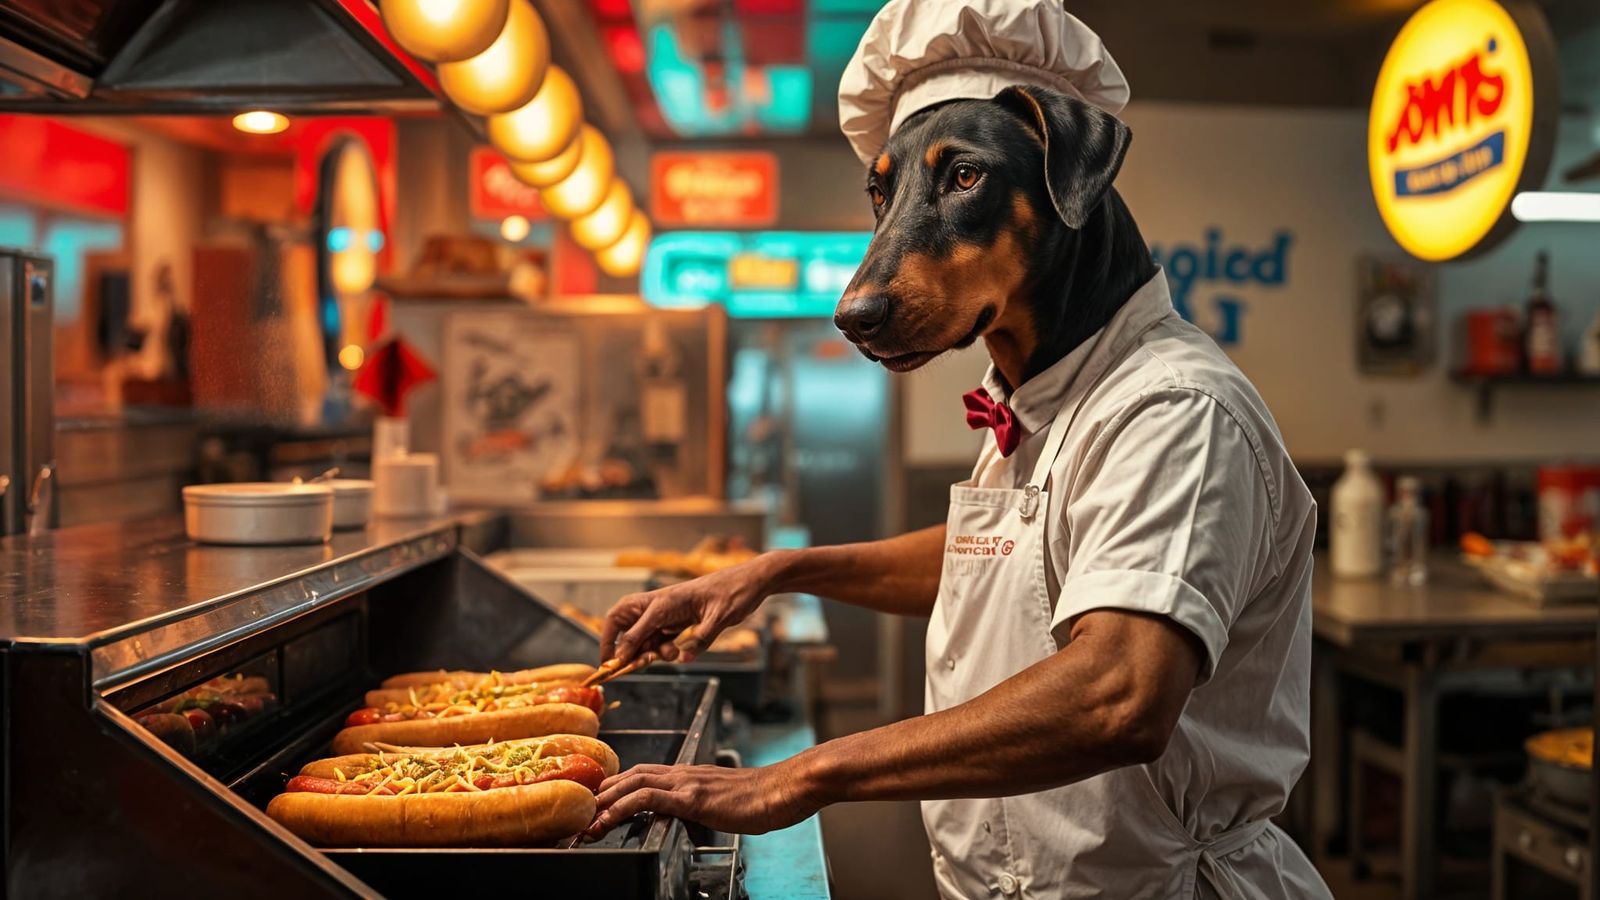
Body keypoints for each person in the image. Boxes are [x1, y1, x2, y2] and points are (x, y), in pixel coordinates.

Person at [586, 2, 1331, 897]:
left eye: (962, 178)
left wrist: (799, 776)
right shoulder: (1045, 399)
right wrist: (775, 573)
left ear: (1070, 181)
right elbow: (1004, 562)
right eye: (888, 195)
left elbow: (1120, 692)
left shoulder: (1173, 410)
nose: (866, 291)